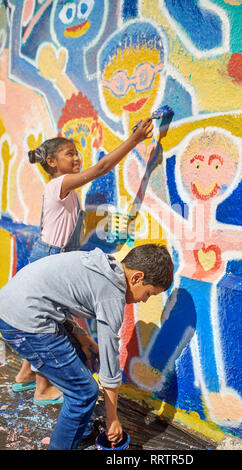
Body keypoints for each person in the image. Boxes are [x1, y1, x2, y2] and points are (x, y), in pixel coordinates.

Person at [12, 118, 153, 404]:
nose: (77, 158)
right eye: (69, 154)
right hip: (50, 254)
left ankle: (24, 376)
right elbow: (101, 169)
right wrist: (134, 140)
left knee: (48, 316)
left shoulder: (66, 190)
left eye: (77, 153)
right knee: (50, 321)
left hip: (50, 254)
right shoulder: (59, 185)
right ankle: (43, 388)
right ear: (51, 162)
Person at [0, 243, 174, 450]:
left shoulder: (101, 266)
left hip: (13, 308)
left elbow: (59, 299)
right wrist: (112, 419)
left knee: (82, 356)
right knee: (84, 392)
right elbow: (110, 366)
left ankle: (80, 429)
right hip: (25, 324)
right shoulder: (113, 294)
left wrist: (83, 338)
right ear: (136, 278)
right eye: (148, 294)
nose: (144, 301)